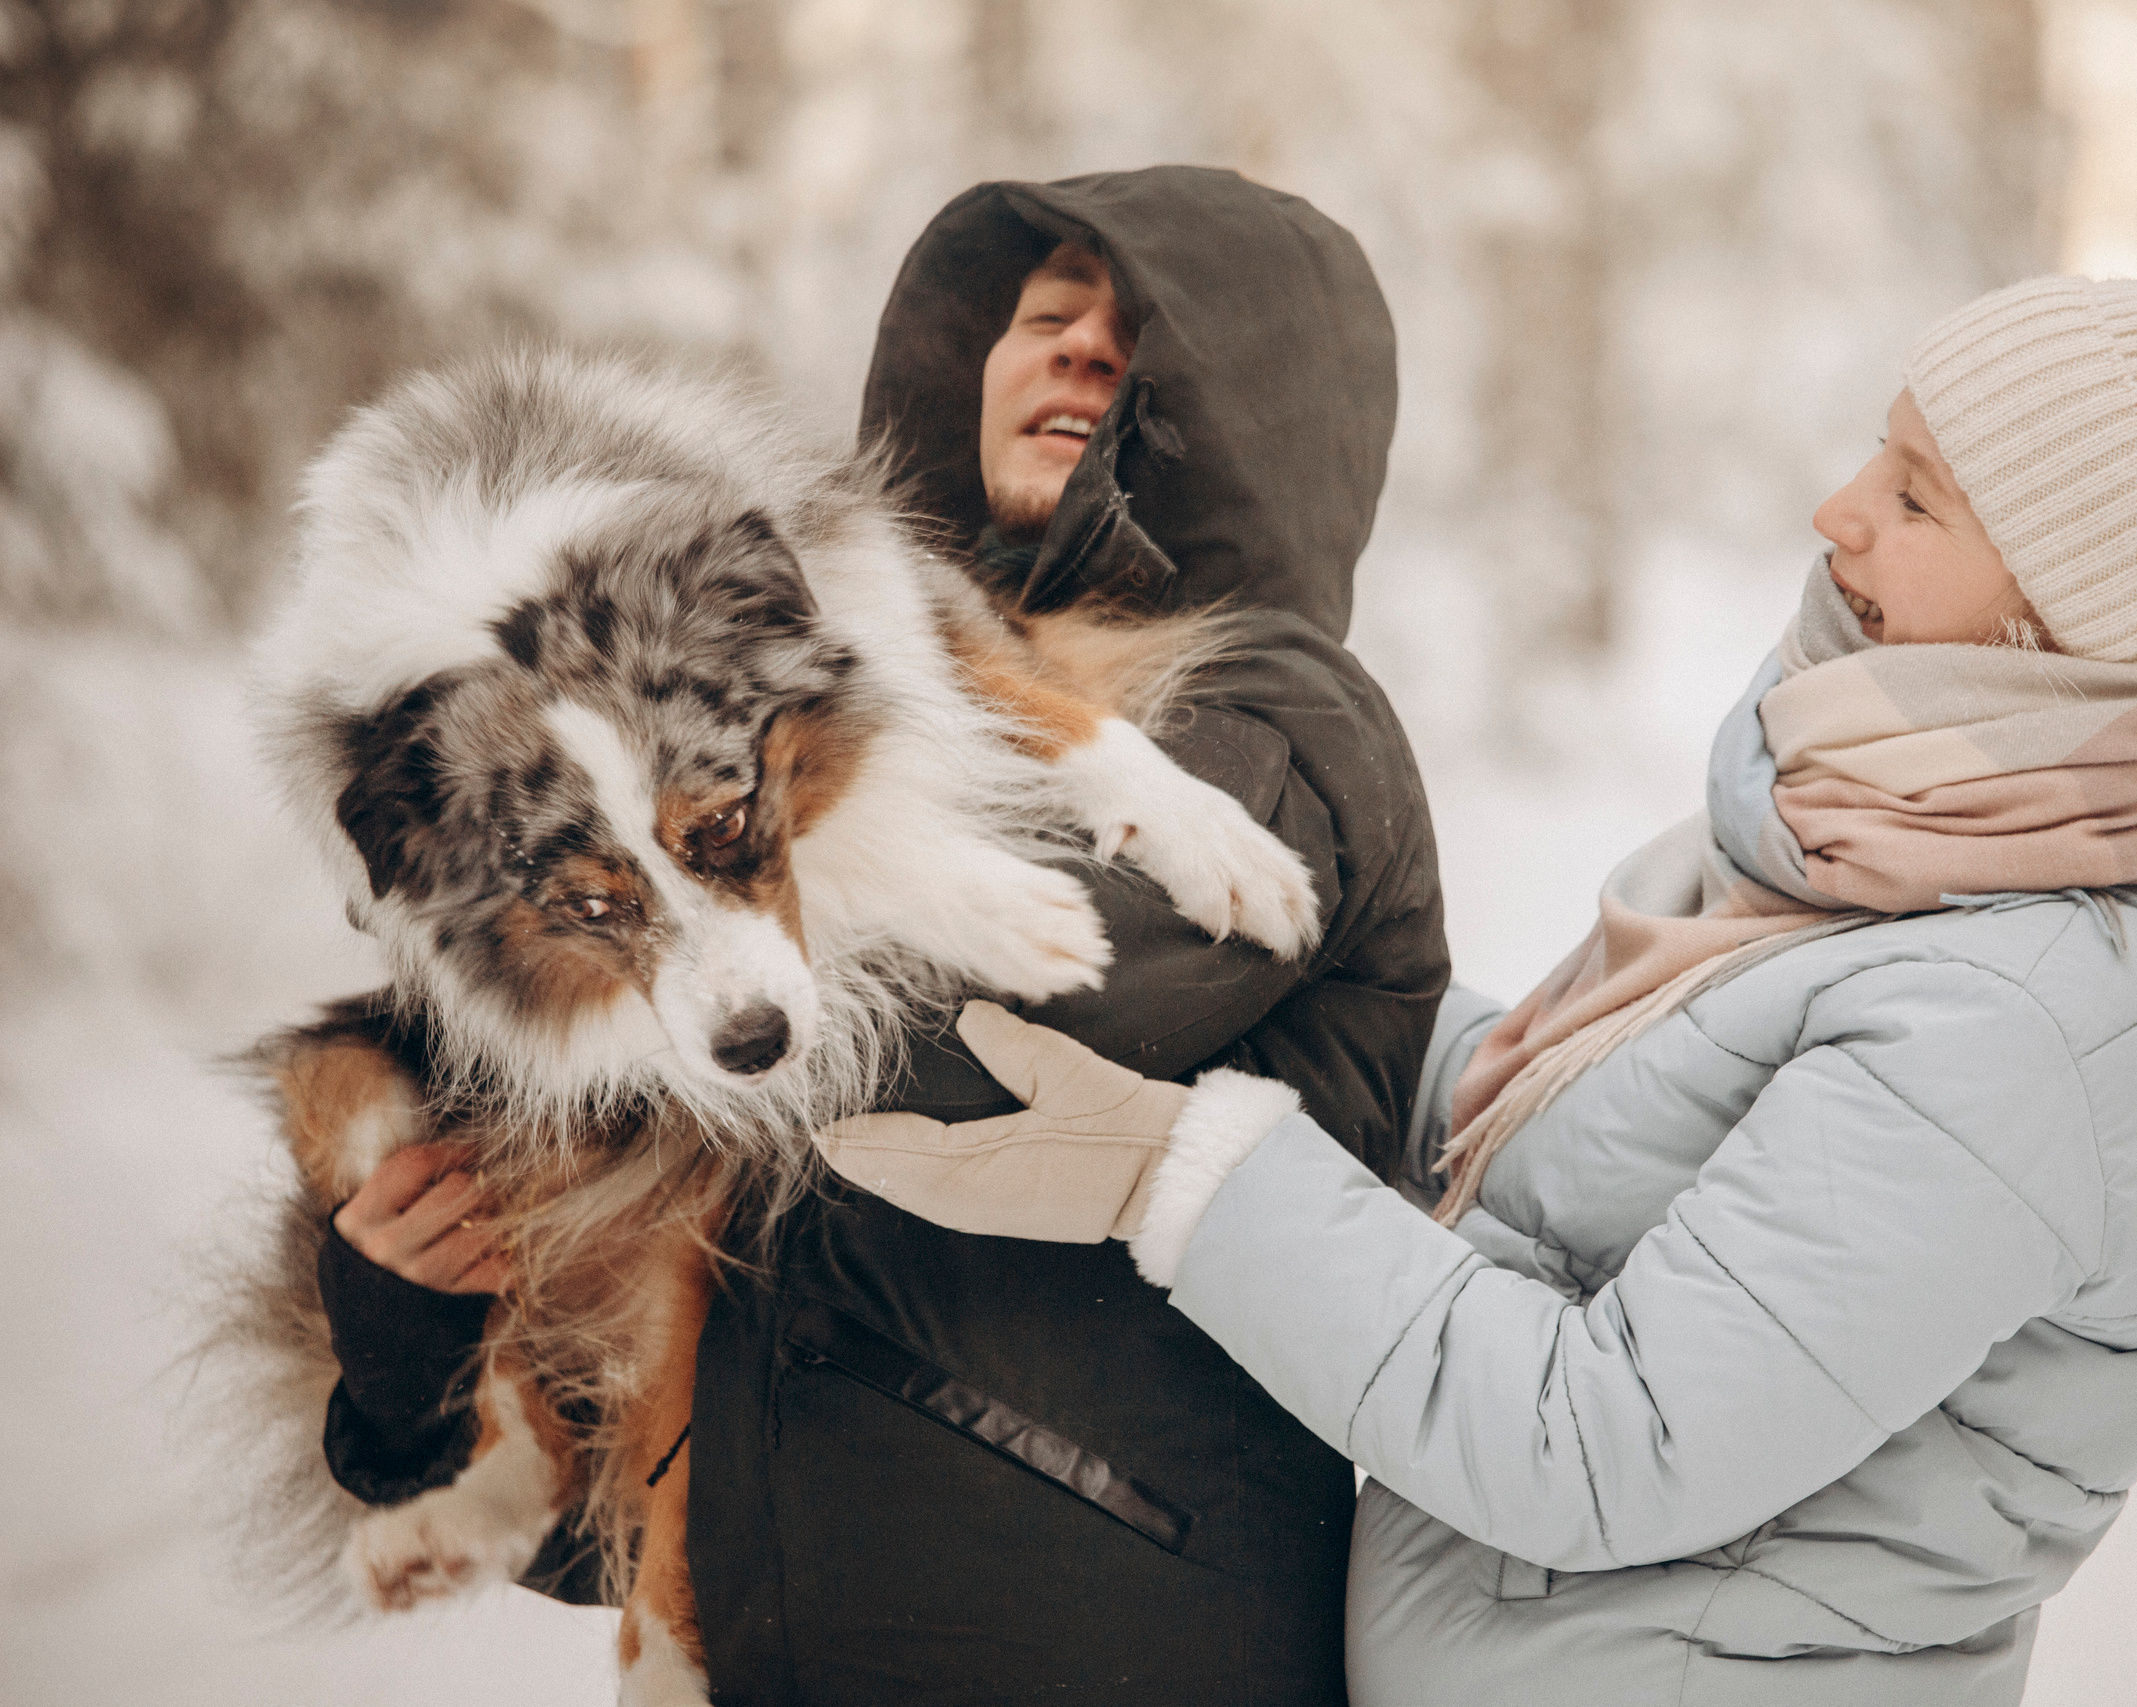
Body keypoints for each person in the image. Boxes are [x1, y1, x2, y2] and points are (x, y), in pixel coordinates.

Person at [815, 275, 2137, 1704]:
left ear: (2069, 617)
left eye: (1918, 500)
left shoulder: (2006, 1024)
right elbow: (1580, 1156)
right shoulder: (1873, 835)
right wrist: (1308, 962)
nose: (1837, 511)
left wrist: (1178, 1177)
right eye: (1883, 448)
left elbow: (1605, 1443)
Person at [317, 166, 1447, 1705]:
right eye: (1043, 320)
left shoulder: (1271, 726)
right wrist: (412, 1342)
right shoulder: (722, 722)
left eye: (1140, 337)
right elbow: (621, 1502)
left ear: (1260, 410)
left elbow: (922, 1061)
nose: (1076, 353)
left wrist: (547, 1068)